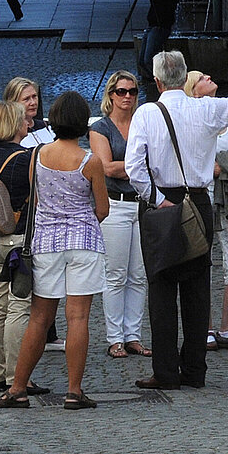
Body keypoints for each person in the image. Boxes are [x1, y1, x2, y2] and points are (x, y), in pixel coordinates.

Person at [125, 42, 228, 390]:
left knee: (161, 288)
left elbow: (134, 166)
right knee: (197, 287)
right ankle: (195, 369)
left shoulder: (146, 114)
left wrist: (156, 198)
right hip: (198, 201)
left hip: (161, 202)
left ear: (157, 81)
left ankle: (165, 371)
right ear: (184, 76)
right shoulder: (207, 109)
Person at [0, 92, 110, 410]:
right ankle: (74, 391)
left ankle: (17, 387)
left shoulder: (37, 155)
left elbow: (36, 198)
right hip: (83, 243)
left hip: (46, 243)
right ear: (83, 123)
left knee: (39, 318)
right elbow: (102, 209)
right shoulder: (90, 161)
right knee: (78, 317)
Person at [183, 71, 228, 352]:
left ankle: (227, 328)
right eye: (202, 77)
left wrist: (223, 167)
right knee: (201, 260)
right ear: (193, 90)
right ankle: (206, 328)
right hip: (202, 197)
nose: (210, 77)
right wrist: (210, 167)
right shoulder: (190, 120)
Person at [88, 71, 151, 359]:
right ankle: (115, 338)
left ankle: (133, 336)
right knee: (115, 275)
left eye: (132, 91)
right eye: (121, 91)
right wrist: (139, 165)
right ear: (111, 95)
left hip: (142, 203)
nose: (127, 96)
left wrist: (124, 166)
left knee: (139, 274)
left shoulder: (142, 123)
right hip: (115, 204)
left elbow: (122, 165)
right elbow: (105, 168)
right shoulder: (100, 128)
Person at [3, 77, 64, 352]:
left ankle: (49, 331)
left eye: (34, 97)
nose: (32, 102)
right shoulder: (12, 134)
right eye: (26, 98)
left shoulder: (44, 128)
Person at [0, 101, 35, 393]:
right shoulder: (26, 159)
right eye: (24, 119)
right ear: (15, 124)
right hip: (19, 240)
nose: (29, 122)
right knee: (19, 308)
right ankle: (17, 377)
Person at [134, 0, 180, 97]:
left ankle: (161, 84)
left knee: (149, 59)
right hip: (152, 25)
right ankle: (153, 83)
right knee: (142, 60)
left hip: (160, 27)